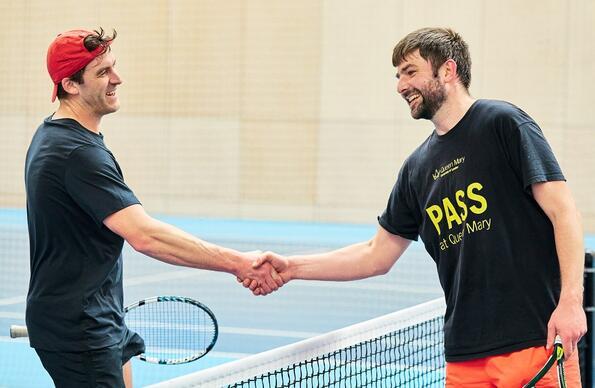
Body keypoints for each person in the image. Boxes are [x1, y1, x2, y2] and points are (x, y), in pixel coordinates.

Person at [243, 27, 586, 386]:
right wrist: (291, 267)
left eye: (410, 72)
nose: (400, 86)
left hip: (535, 341)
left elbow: (564, 212)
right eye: (397, 76)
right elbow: (375, 255)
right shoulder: (416, 169)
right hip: (465, 356)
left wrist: (571, 302)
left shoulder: (502, 123)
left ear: (448, 71)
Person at [25, 28, 282, 388]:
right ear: (70, 84)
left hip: (100, 317)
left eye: (113, 67)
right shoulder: (76, 153)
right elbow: (146, 236)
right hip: (79, 330)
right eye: (102, 73)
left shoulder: (57, 134)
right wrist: (237, 262)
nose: (117, 79)